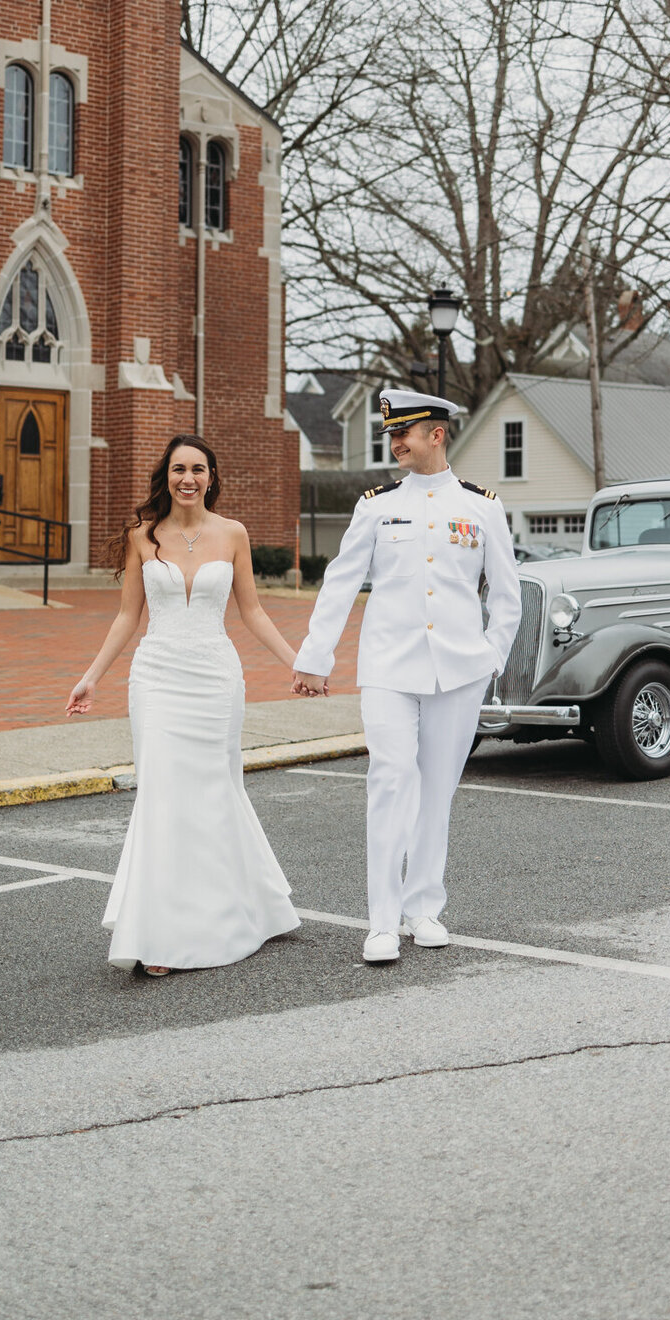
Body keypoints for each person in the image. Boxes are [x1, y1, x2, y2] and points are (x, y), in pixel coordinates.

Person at [292, 389, 521, 963]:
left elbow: (508, 596)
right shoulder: (375, 505)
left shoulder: (481, 507)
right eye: (391, 433)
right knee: (391, 782)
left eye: (405, 433)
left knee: (438, 790)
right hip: (389, 666)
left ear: (436, 435)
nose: (394, 443)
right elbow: (341, 581)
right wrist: (315, 657)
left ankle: (424, 909)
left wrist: (492, 655)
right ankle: (381, 921)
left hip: (460, 669)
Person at [66, 433, 305, 976]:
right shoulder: (142, 537)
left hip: (216, 681)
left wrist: (299, 662)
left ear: (212, 477)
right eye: (178, 469)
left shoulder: (234, 534)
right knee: (162, 798)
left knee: (217, 793)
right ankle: (161, 933)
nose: (188, 478)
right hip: (156, 678)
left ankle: (244, 908)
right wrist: (90, 677)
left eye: (198, 468)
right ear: (166, 476)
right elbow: (128, 616)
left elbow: (254, 613)